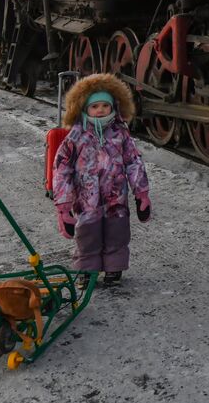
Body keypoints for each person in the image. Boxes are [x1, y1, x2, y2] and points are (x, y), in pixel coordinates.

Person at [51, 74, 152, 287]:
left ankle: (114, 267)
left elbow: (134, 161)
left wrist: (141, 192)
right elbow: (62, 169)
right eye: (95, 106)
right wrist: (63, 203)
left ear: (114, 107)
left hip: (116, 196)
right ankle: (87, 269)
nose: (100, 110)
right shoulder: (75, 136)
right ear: (84, 108)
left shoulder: (120, 133)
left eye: (105, 105)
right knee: (87, 234)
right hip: (86, 198)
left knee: (117, 231)